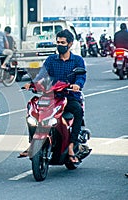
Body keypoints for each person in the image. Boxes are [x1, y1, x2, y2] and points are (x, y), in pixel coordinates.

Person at [20, 29, 86, 165]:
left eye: (63, 42)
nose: (60, 45)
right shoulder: (51, 60)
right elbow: (41, 76)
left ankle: (72, 145)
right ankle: (33, 142)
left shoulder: (77, 60)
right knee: (33, 112)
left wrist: (77, 85)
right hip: (51, 97)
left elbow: (81, 77)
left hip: (69, 97)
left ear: (70, 44)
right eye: (58, 42)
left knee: (78, 111)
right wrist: (32, 83)